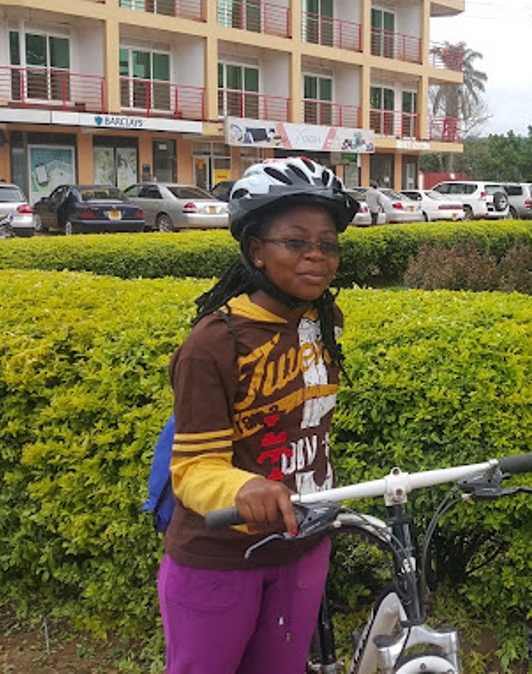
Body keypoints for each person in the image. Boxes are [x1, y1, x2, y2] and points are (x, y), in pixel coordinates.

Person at [158, 157, 359, 674]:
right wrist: (245, 490)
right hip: (222, 558)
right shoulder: (214, 343)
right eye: (296, 242)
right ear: (255, 251)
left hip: (303, 547)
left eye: (328, 244)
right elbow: (193, 468)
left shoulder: (322, 319)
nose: (317, 256)